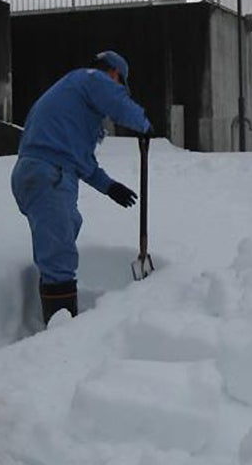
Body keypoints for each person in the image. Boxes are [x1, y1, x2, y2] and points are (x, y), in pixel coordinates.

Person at [10, 50, 152, 324]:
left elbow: (80, 160)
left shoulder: (72, 99)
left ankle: (53, 315)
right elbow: (117, 101)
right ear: (114, 74)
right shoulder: (91, 79)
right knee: (59, 254)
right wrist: (143, 125)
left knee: (68, 226)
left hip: (46, 173)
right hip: (47, 174)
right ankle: (62, 332)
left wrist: (110, 187)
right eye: (119, 84)